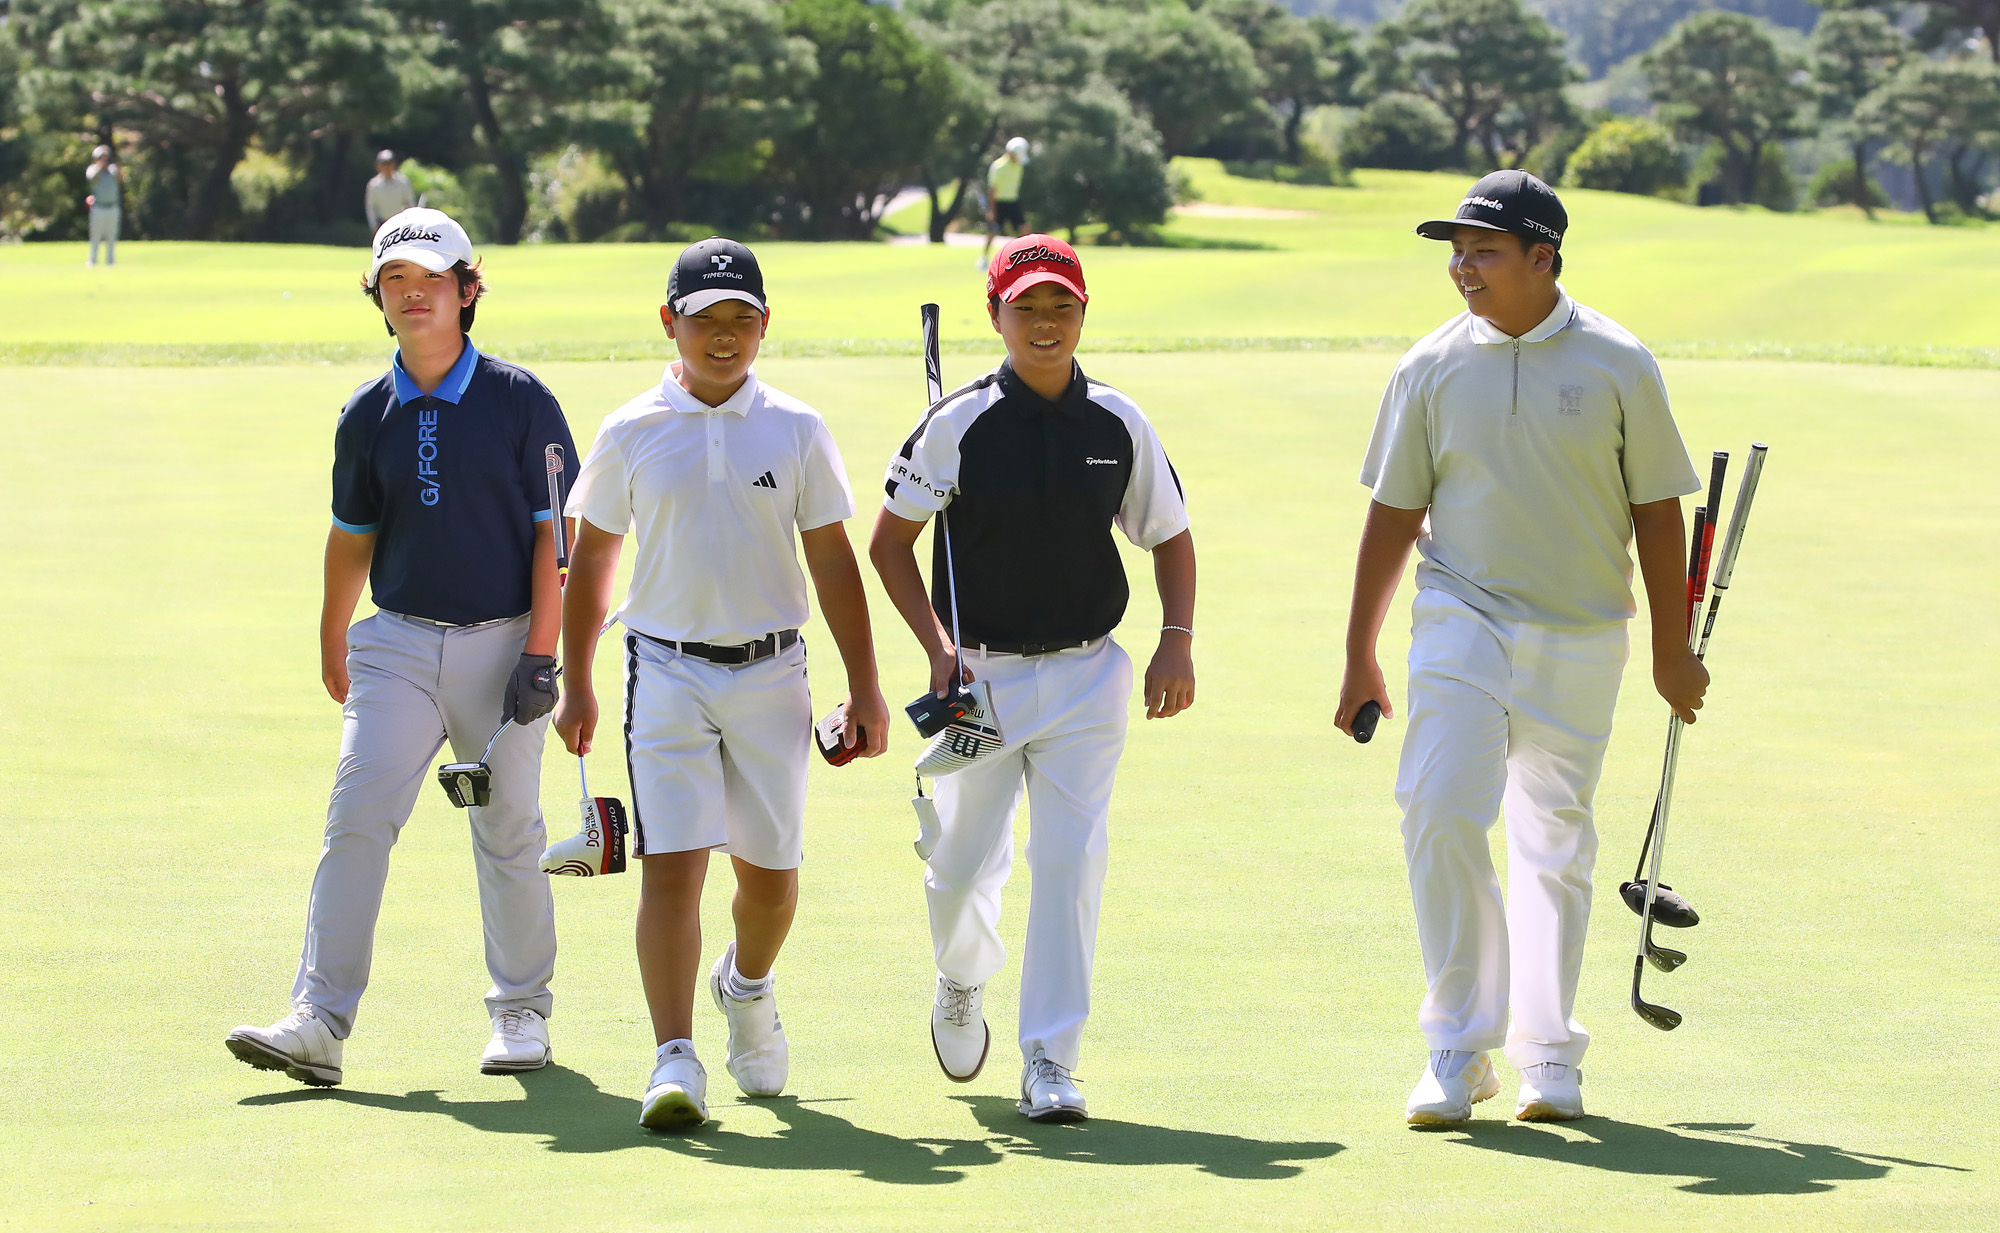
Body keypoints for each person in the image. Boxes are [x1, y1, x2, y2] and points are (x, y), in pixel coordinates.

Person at [1335, 171, 1707, 1127]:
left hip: (1583, 632)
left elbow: (1658, 513)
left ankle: (1548, 1052)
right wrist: (1359, 651)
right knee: (1437, 808)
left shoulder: (1620, 360)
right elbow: (1392, 513)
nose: (1461, 267)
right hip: (1461, 615)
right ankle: (1459, 1047)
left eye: (1483, 250)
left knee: (1555, 842)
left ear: (1544, 257)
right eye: (1455, 250)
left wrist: (1673, 649)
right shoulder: (1428, 365)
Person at [226, 207, 578, 1087]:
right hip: (397, 643)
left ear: (467, 288)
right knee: (356, 817)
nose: (413, 294)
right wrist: (330, 636)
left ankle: (522, 1014)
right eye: (395, 282)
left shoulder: (520, 399)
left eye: (431, 279)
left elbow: (555, 539)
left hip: (504, 646)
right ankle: (319, 1019)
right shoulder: (366, 413)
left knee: (507, 830)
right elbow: (352, 536)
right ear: (379, 299)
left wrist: (542, 652)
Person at [552, 237, 890, 1132]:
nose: (725, 337)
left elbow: (834, 564)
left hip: (774, 671)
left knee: (771, 880)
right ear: (671, 323)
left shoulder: (797, 427)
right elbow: (592, 564)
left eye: (743, 319)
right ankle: (674, 1054)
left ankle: (746, 984)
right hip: (661, 670)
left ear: (766, 325)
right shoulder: (630, 429)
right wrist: (574, 679)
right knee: (672, 869)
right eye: (706, 320)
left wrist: (866, 685)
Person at [870, 233, 1197, 1123]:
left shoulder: (1119, 421)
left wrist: (1177, 636)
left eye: (1061, 307)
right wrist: (938, 645)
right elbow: (888, 544)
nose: (1046, 324)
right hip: (982, 680)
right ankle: (962, 976)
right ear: (997, 316)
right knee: (962, 864)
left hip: (1090, 676)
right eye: (1028, 308)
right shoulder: (959, 423)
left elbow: (1167, 532)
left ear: (1084, 312)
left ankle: (1051, 1056)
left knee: (1069, 860)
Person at [978, 137, 1030, 272]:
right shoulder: (998, 167)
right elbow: (992, 190)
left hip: (1013, 202)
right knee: (993, 231)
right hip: (999, 203)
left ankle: (1026, 259)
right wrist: (992, 210)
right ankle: (983, 258)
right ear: (1010, 153)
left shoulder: (1019, 166)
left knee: (1024, 230)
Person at [84, 146, 121, 267]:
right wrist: (100, 165)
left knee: (111, 235)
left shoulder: (113, 170)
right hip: (98, 207)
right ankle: (92, 260)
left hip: (112, 207)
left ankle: (110, 261)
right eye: (100, 157)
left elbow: (121, 178)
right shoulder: (92, 169)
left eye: (105, 157)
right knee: (95, 235)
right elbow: (92, 177)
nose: (103, 160)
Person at [365, 150, 419, 232]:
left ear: (394, 164)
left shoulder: (403, 182)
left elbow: (410, 202)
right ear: (378, 166)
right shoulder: (373, 185)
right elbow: (371, 207)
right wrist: (373, 225)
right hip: (382, 223)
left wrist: (411, 221)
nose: (387, 167)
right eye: (384, 164)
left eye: (389, 164)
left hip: (400, 223)